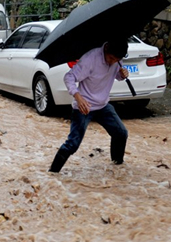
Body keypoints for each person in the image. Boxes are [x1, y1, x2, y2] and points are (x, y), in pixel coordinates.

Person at [49, 38, 130, 173]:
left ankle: (117, 169)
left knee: (121, 133)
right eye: (111, 58)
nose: (113, 62)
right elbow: (69, 77)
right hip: (84, 106)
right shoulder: (90, 59)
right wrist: (78, 96)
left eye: (117, 60)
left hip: (103, 105)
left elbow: (115, 75)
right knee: (73, 144)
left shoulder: (117, 59)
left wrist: (121, 75)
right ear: (106, 49)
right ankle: (52, 173)